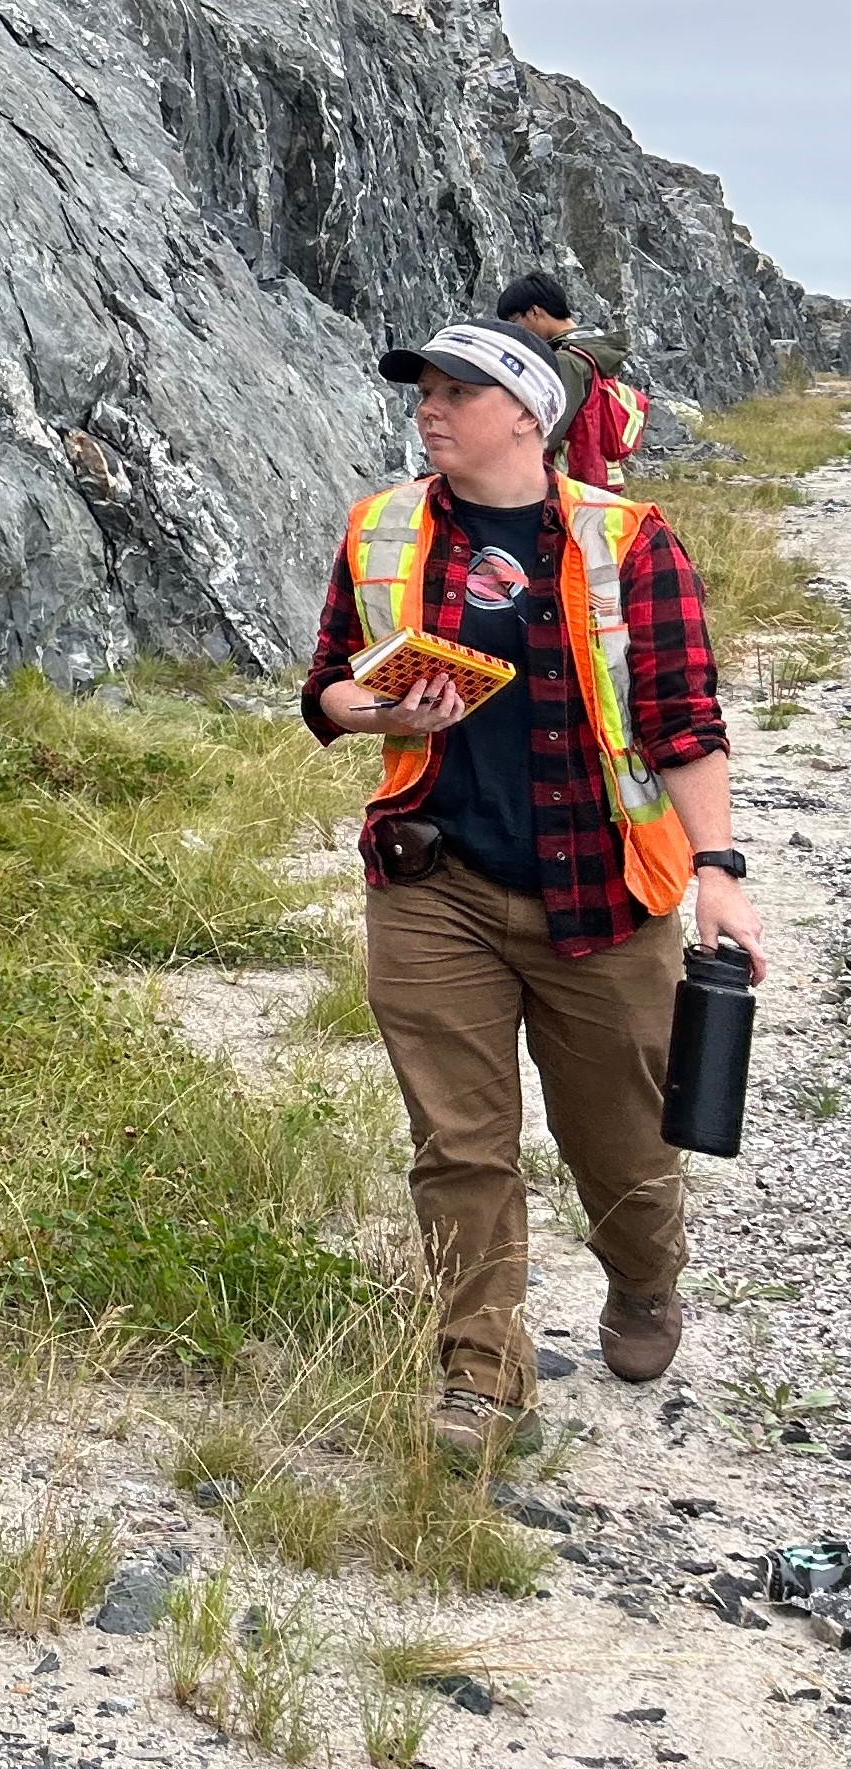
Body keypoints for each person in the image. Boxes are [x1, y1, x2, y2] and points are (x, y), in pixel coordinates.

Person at [303, 317, 766, 1472]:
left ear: (528, 414)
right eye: (424, 391)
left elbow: (682, 718)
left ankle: (647, 1283)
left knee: (618, 1143)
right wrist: (374, 711)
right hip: (430, 878)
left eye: (458, 391)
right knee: (459, 1144)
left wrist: (718, 873)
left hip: (602, 892)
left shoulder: (628, 540)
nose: (431, 409)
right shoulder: (383, 528)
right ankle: (480, 1375)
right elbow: (326, 688)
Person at [496, 272, 627, 487]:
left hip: (571, 478)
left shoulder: (567, 360)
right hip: (597, 470)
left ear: (534, 311)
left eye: (515, 322)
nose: (515, 333)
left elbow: (551, 428)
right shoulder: (594, 346)